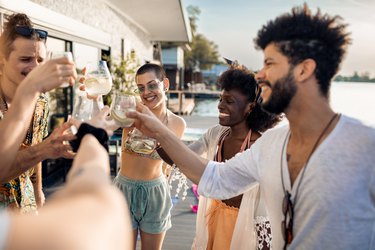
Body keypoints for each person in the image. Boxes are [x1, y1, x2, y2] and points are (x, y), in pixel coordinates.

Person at [127, 4, 375, 249]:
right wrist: (156, 129)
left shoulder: (366, 148)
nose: (259, 75)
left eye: (270, 63)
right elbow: (214, 178)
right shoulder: (271, 145)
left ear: (303, 70)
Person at [1, 108, 133, 250]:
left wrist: (42, 152)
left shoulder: (39, 103)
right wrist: (91, 137)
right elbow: (98, 219)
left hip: (25, 198)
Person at [189, 66, 281, 249]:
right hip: (212, 222)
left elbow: (265, 215)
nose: (220, 105)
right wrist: (156, 136)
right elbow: (182, 158)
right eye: (220, 98)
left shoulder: (260, 149)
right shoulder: (217, 134)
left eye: (229, 101)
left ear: (250, 107)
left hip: (243, 233)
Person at [0, 13, 75, 213]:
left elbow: (36, 148)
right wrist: (45, 149)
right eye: (26, 59)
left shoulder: (40, 101)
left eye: (40, 60)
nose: (35, 68)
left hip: (26, 205)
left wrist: (37, 189)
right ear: (2, 58)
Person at [113, 63, 186, 250]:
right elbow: (106, 121)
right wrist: (93, 98)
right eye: (141, 88)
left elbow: (169, 164)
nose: (147, 92)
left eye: (152, 85)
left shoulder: (178, 124)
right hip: (124, 189)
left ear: (165, 84)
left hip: (155, 193)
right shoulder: (130, 113)